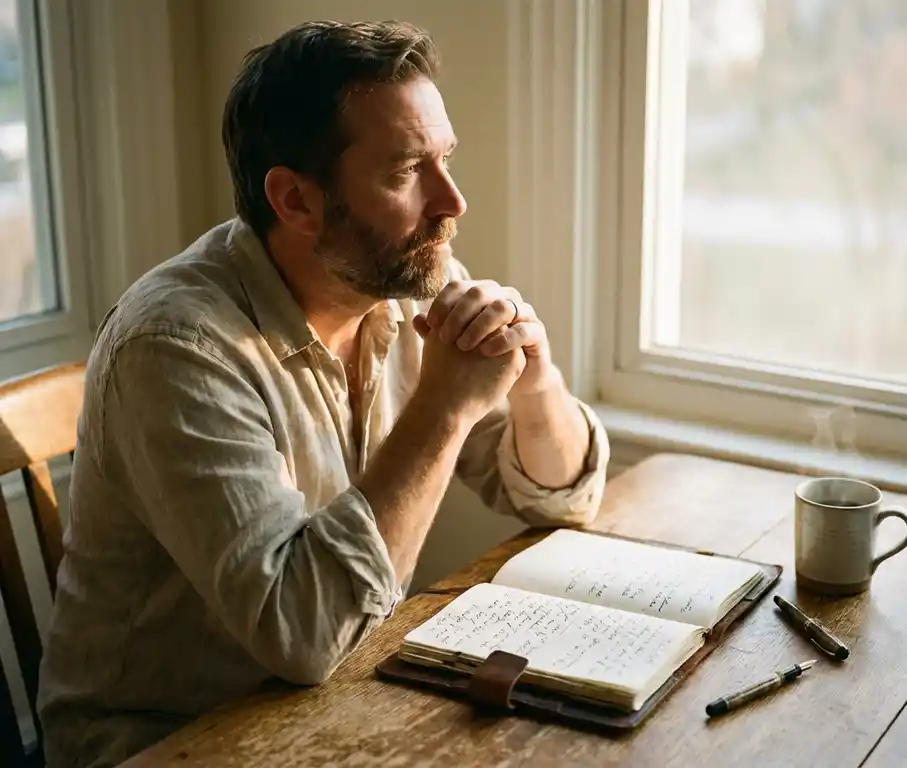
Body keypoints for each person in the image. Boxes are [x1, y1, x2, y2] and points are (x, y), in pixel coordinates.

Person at [36, 18, 609, 768]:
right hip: (165, 742)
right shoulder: (176, 347)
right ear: (297, 201)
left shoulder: (405, 283)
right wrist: (444, 407)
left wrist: (537, 382)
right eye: (408, 171)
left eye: (446, 161)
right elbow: (303, 633)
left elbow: (558, 500)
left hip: (337, 705)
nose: (452, 202)